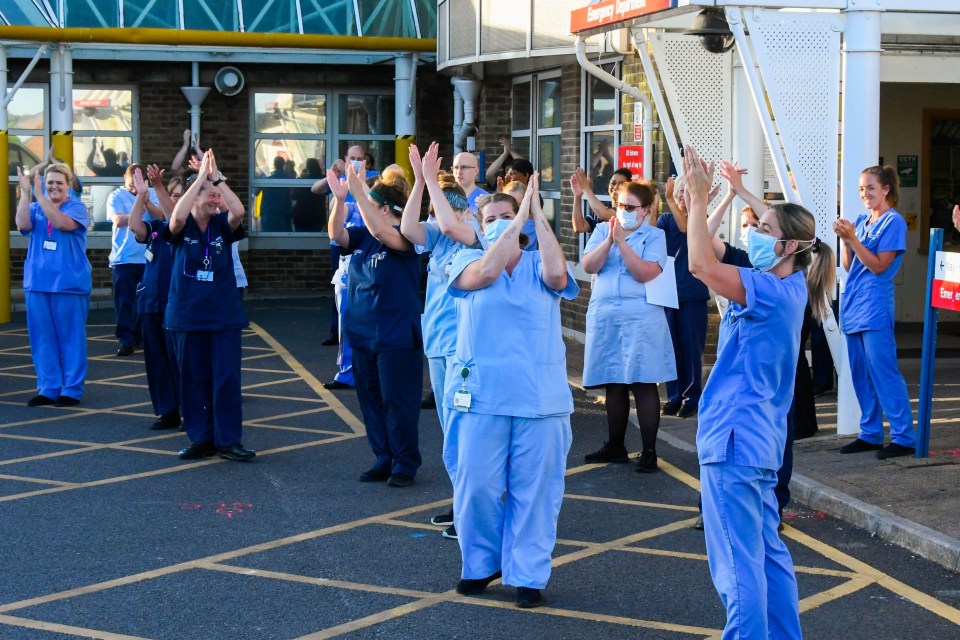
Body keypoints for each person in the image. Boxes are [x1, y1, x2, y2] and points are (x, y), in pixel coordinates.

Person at [684, 145, 835, 640]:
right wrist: (715, 196)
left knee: (737, 569)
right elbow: (711, 255)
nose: (754, 232)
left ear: (790, 247)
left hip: (734, 440)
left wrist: (704, 198)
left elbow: (700, 265)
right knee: (767, 557)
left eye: (765, 229)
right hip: (758, 443)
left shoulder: (768, 290)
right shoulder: (788, 288)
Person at [443, 174, 579, 609]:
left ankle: (527, 574)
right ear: (480, 226)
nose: (501, 223)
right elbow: (488, 270)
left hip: (540, 400)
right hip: (482, 397)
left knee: (536, 491)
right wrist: (517, 214)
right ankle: (481, 565)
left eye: (507, 216)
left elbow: (559, 276)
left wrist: (535, 216)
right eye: (492, 218)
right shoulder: (462, 261)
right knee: (477, 486)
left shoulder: (540, 263)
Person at [401, 142, 485, 538]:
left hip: (463, 348)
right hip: (437, 342)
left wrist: (433, 180)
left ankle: (470, 509)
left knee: (463, 429)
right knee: (450, 429)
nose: (439, 217)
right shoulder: (438, 235)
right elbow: (407, 228)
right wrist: (419, 183)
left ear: (464, 209)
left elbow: (452, 224)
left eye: (445, 208)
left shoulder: (474, 234)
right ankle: (460, 503)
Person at [327, 164, 423, 488]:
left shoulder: (405, 238)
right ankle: (383, 458)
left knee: (398, 402)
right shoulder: (364, 237)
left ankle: (404, 463)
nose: (362, 208)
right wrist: (341, 200)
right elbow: (336, 235)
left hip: (395, 336)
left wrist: (358, 191)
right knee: (370, 401)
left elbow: (384, 233)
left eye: (370, 203)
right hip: (363, 334)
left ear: (384, 208)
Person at [166, 150, 254, 462]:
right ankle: (201, 438)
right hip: (187, 316)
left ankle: (228, 440)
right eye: (211, 196)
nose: (216, 200)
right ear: (195, 196)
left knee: (226, 379)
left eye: (218, 196)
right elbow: (176, 216)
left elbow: (239, 211)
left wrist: (217, 179)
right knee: (193, 380)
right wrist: (199, 179)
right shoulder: (182, 226)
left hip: (223, 317)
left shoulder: (221, 226)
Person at [580, 181, 675, 472]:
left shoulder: (654, 236)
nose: (624, 212)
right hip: (606, 314)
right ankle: (615, 445)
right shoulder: (601, 231)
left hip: (641, 316)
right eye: (620, 205)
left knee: (643, 382)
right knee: (614, 382)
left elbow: (645, 272)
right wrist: (610, 239)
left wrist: (622, 243)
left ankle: (648, 451)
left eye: (631, 207)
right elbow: (588, 266)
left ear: (645, 210)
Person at [835, 166, 915, 459]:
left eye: (870, 188)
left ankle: (904, 436)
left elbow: (880, 265)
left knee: (883, 371)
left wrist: (854, 239)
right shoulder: (861, 221)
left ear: (886, 190)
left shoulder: (893, 222)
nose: (864, 194)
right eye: (860, 189)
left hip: (875, 304)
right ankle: (870, 433)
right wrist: (847, 240)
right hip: (854, 304)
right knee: (860, 373)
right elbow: (849, 265)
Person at [16, 164, 92, 407]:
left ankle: (71, 388)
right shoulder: (35, 207)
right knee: (42, 339)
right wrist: (26, 193)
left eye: (59, 182)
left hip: (69, 284)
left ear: (68, 184)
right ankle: (48, 387)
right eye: (49, 182)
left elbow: (62, 224)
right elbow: (22, 226)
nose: (54, 186)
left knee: (71, 338)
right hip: (38, 284)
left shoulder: (76, 207)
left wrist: (39, 194)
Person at [127, 167, 181, 430]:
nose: (178, 200)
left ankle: (189, 410)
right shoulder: (157, 227)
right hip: (150, 302)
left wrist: (158, 190)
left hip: (178, 306)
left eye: (182, 196)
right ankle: (167, 410)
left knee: (181, 360)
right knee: (156, 359)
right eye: (174, 195)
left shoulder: (189, 229)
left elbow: (175, 217)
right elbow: (135, 226)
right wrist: (142, 196)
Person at [313, 145, 376, 349]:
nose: (356, 161)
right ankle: (337, 330)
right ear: (345, 158)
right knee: (340, 287)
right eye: (352, 158)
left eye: (360, 158)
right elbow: (316, 189)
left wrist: (359, 179)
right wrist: (336, 173)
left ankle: (362, 332)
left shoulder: (373, 176)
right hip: (341, 240)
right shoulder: (339, 177)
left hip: (365, 240)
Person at [659, 175, 711, 418]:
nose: (681, 196)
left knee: (691, 349)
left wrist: (668, 198)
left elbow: (685, 228)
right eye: (679, 192)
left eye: (685, 192)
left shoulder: (699, 221)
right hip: (668, 293)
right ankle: (674, 395)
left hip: (692, 294)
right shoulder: (665, 219)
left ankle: (692, 398)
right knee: (670, 349)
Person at [108, 163, 157, 357]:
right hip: (124, 258)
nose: (135, 188)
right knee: (125, 302)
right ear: (124, 179)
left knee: (147, 302)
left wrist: (146, 201)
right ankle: (126, 340)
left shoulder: (152, 193)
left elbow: (159, 217)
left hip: (148, 258)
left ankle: (141, 337)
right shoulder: (116, 195)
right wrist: (138, 210)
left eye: (139, 183)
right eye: (131, 184)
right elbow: (118, 220)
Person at [570, 167, 632, 234]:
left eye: (621, 184)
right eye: (613, 183)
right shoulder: (602, 208)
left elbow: (604, 214)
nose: (615, 187)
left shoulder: (629, 210)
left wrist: (585, 188)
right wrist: (577, 196)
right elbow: (579, 227)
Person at [258, 155, 293, 232]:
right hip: (283, 212)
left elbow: (256, 192)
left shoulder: (267, 179)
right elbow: (291, 194)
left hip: (268, 211)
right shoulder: (288, 178)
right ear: (283, 164)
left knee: (267, 237)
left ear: (274, 165)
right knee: (283, 238)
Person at [291, 158, 327, 232]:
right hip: (317, 215)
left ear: (307, 167)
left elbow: (294, 195)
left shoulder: (302, 179)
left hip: (301, 215)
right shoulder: (323, 179)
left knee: (300, 240)